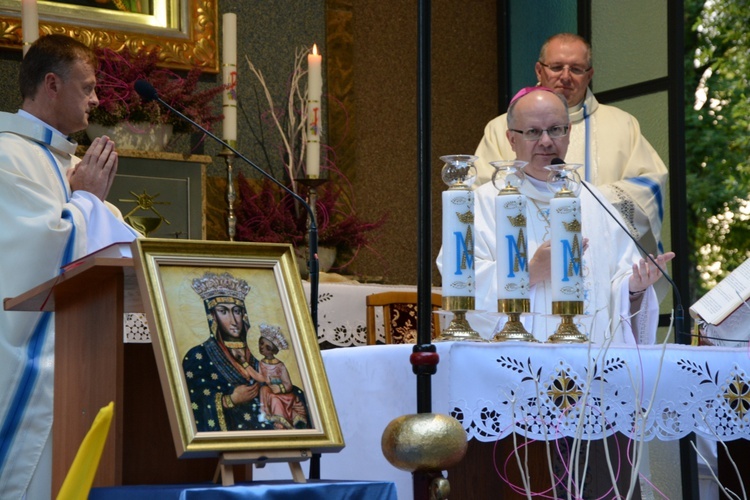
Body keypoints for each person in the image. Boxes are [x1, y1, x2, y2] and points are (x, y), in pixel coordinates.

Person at [0, 35, 138, 498]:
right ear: (52, 84)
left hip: (81, 360)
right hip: (23, 356)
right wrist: (85, 203)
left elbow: (124, 244)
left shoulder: (71, 164)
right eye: (89, 88)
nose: (97, 100)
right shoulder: (7, 155)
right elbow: (35, 252)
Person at [472, 86, 674, 343]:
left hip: (591, 362)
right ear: (512, 140)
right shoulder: (487, 202)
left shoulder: (593, 200)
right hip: (520, 359)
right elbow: (466, 281)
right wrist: (530, 272)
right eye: (533, 132)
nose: (546, 141)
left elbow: (616, 284)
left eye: (556, 129)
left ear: (568, 134)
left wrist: (634, 287)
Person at [473, 33, 668, 259]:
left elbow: (650, 185)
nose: (565, 77)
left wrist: (590, 200)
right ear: (539, 71)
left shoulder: (622, 125)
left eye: (576, 69)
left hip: (598, 253)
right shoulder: (501, 128)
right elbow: (481, 195)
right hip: (527, 254)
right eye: (556, 67)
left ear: (589, 75)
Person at [183, 272, 272, 432]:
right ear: (213, 316)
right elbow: (192, 401)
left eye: (237, 311)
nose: (233, 320)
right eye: (223, 311)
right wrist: (229, 400)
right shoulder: (198, 356)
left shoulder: (261, 350)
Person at [256, 323, 309, 430]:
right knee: (264, 390)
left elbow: (288, 383)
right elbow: (261, 378)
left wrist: (280, 388)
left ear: (272, 349)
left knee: (275, 398)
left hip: (283, 393)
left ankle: (282, 421)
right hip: (269, 391)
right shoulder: (261, 363)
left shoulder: (280, 365)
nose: (261, 347)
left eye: (266, 346)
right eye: (260, 344)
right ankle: (267, 416)